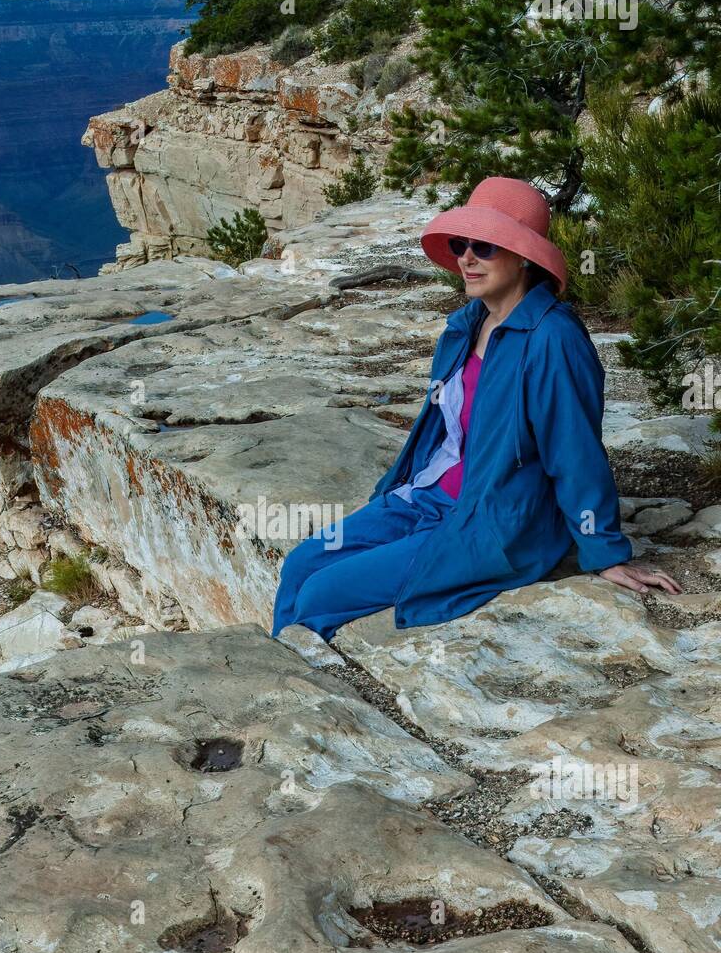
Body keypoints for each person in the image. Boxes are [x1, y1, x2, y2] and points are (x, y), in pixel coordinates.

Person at [272, 176, 681, 643]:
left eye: (485, 246)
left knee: (324, 593)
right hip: (426, 496)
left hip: (491, 520)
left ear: (525, 255)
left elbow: (575, 452)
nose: (466, 258)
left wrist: (604, 550)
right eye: (461, 243)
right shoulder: (466, 324)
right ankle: (273, 687)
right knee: (302, 562)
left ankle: (312, 693)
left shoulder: (553, 339)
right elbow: (444, 434)